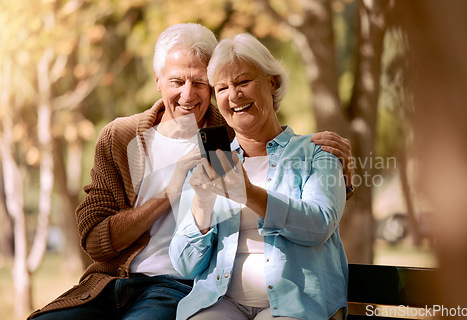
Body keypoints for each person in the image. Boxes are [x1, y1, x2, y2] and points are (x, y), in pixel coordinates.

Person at [28, 24, 353, 320]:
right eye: (176, 81)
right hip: (113, 282)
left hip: (178, 288)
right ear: (158, 82)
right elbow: (95, 240)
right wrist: (172, 193)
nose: (188, 94)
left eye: (200, 83)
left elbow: (285, 167)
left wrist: (342, 175)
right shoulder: (121, 137)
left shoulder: (228, 138)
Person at [169, 33, 347, 320]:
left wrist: (249, 194)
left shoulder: (317, 152)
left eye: (242, 82)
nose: (234, 95)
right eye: (222, 88)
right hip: (220, 303)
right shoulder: (212, 165)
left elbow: (319, 225)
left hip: (296, 306)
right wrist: (201, 203)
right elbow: (185, 265)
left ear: (272, 82)